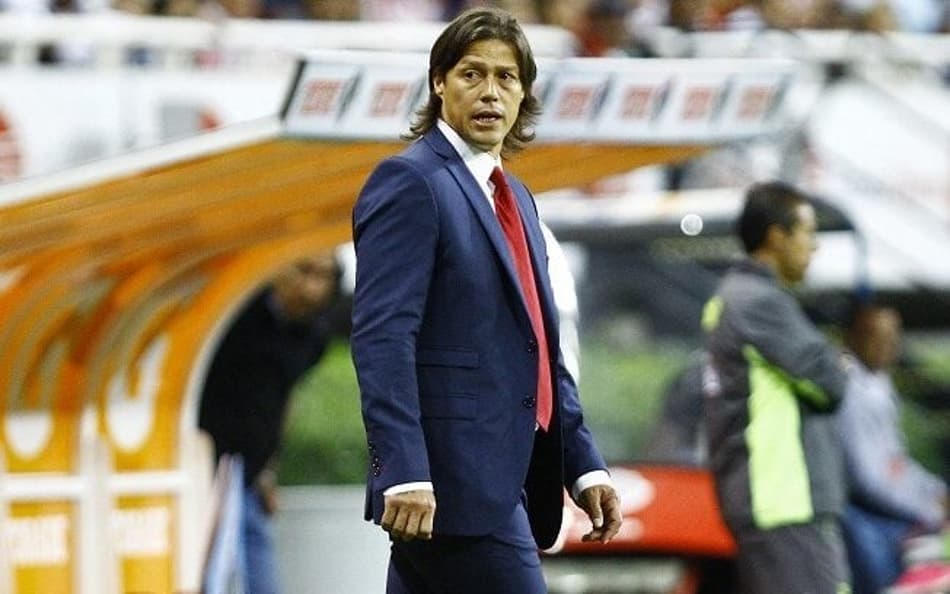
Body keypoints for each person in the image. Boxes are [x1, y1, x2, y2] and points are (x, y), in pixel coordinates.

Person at [350, 8, 622, 593]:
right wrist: (402, 471)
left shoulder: (517, 197)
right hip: (451, 484)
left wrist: (583, 461)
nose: (490, 93)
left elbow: (538, 347)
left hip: (514, 474)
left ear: (524, 94)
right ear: (438, 83)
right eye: (472, 75)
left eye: (506, 78)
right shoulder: (410, 182)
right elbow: (382, 337)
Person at [701, 181, 852, 594]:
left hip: (778, 503)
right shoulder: (756, 302)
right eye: (808, 233)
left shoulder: (740, 297)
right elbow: (831, 382)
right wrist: (837, 363)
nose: (814, 247)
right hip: (783, 501)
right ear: (776, 236)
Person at [198, 251, 340, 594]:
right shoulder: (234, 314)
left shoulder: (313, 336)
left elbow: (283, 400)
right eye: (303, 270)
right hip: (207, 467)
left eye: (323, 276)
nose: (310, 288)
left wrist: (268, 469)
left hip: (248, 473)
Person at [836, 304, 948, 594]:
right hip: (866, 527)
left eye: (894, 336)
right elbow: (869, 477)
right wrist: (929, 507)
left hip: (889, 522)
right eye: (877, 335)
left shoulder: (879, 383)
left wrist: (935, 492)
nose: (889, 345)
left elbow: (895, 462)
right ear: (853, 337)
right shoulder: (851, 390)